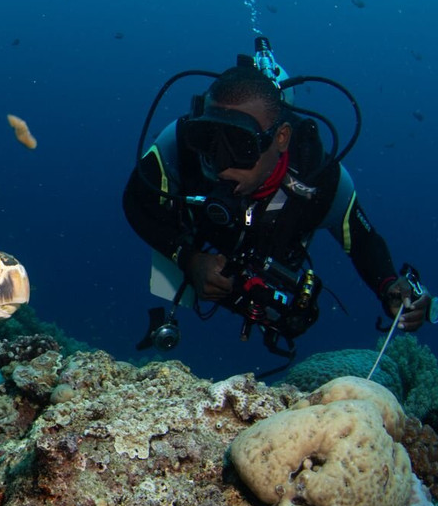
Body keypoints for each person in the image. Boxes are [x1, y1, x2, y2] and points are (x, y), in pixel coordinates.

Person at [123, 60, 432, 358]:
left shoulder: (322, 179)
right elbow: (135, 201)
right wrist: (187, 258)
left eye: (241, 145)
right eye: (209, 139)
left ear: (281, 138)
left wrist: (391, 286)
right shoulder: (179, 145)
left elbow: (363, 241)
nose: (222, 164)